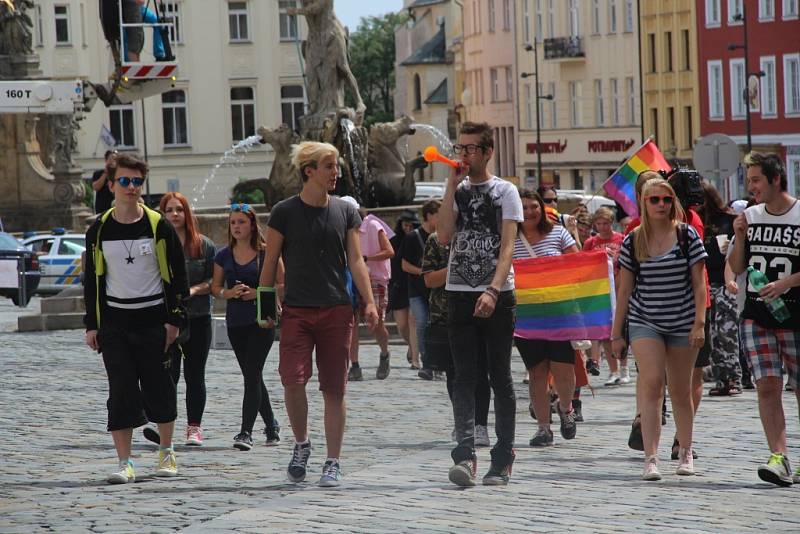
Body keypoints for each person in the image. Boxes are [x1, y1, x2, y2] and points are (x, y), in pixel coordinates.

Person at [260, 141, 378, 488]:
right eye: (329, 166)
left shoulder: (345, 211)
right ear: (309, 171)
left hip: (337, 310)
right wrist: (265, 306)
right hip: (296, 310)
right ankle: (301, 444)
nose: (336, 172)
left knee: (334, 388)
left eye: (336, 165)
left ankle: (333, 460)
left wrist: (369, 302)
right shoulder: (283, 212)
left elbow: (356, 261)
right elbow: (269, 262)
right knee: (293, 380)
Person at [83, 152, 188, 484]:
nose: (131, 187)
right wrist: (92, 323)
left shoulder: (158, 225)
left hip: (153, 320)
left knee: (160, 387)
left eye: (137, 181)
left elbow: (178, 275)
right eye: (125, 181)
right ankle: (125, 462)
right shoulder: (98, 229)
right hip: (115, 322)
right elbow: (92, 279)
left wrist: (174, 320)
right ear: (112, 185)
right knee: (121, 390)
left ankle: (166, 452)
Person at [438, 121, 522, 487]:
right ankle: (466, 453)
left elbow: (507, 247)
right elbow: (443, 236)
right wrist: (449, 187)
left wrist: (492, 289)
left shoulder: (506, 191)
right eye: (461, 148)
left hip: (497, 294)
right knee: (463, 378)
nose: (465, 154)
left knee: (499, 377)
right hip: (458, 291)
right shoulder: (456, 191)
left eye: (472, 148)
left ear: (487, 152)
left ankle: (503, 456)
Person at [612, 177, 707, 481]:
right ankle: (650, 458)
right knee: (652, 384)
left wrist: (699, 323)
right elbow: (625, 290)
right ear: (644, 202)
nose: (661, 205)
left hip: (682, 321)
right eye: (654, 200)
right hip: (645, 320)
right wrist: (616, 334)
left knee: (680, 390)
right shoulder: (633, 239)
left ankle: (686, 451)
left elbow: (698, 285)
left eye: (666, 200)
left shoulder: (687, 236)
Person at [729, 153, 800, 487]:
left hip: (796, 316)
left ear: (775, 179)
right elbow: (738, 266)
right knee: (768, 386)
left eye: (756, 179)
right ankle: (779, 457)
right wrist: (740, 235)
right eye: (749, 179)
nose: (751, 186)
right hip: (756, 316)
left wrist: (787, 283)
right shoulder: (750, 216)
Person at [513, 189, 581, 447]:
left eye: (534, 207)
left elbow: (578, 263)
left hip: (559, 312)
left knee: (563, 369)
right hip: (526, 314)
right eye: (524, 208)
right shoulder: (509, 236)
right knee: (537, 371)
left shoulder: (558, 233)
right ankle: (543, 428)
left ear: (542, 209)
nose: (530, 212)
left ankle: (565, 409)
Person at [211, 203, 281, 451]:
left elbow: (283, 284)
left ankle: (245, 432)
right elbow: (215, 288)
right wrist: (229, 292)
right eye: (233, 223)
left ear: (252, 224)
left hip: (262, 321)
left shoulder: (266, 253)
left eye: (241, 222)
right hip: (236, 322)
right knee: (253, 376)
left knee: (252, 374)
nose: (237, 227)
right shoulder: (223, 255)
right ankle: (271, 426)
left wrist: (258, 294)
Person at [421, 231, 492, 447]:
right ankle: (463, 421)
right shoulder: (436, 239)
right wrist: (457, 265)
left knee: (481, 371)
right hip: (445, 316)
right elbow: (429, 279)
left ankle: (480, 424)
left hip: (480, 314)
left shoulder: (484, 237)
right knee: (455, 373)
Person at [160, 192, 216, 446]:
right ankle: (165, 425)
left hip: (198, 317)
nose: (174, 214)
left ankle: (194, 427)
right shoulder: (156, 245)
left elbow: (215, 280)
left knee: (195, 375)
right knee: (168, 374)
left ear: (187, 213)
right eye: (169, 210)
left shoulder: (203, 245)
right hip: (168, 319)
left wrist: (192, 290)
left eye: (179, 210)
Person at [696, 182, 743, 396]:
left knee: (727, 331)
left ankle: (733, 377)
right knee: (712, 334)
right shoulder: (696, 222)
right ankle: (721, 378)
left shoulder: (729, 220)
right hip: (705, 283)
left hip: (725, 282)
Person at [346, 199, 395, 381]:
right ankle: (355, 365)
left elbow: (390, 251)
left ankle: (384, 354)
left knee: (376, 325)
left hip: (375, 279)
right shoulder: (345, 230)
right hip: (353, 279)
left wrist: (366, 258)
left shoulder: (373, 225)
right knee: (351, 325)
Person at [583, 206, 628, 384]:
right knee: (605, 332)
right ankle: (613, 370)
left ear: (612, 223)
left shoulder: (621, 239)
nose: (602, 227)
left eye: (606, 223)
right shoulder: (590, 243)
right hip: (600, 290)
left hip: (619, 288)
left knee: (621, 329)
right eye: (599, 223)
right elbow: (584, 265)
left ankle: (624, 369)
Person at [402, 200, 440, 380]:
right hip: (417, 290)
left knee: (437, 325)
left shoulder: (443, 236)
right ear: (429, 215)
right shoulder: (412, 237)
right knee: (423, 322)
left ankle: (438, 361)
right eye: (438, 214)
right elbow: (404, 265)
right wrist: (424, 272)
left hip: (436, 290)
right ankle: (427, 363)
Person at [387, 212, 419, 369]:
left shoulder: (417, 238)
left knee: (413, 322)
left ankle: (415, 356)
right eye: (405, 224)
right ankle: (412, 347)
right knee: (401, 325)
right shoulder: (394, 241)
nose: (407, 228)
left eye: (411, 225)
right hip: (399, 285)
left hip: (415, 284)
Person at [91, 150, 116, 214]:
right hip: (102, 209)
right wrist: (105, 173)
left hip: (115, 207)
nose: (113, 161)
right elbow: (95, 187)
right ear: (106, 160)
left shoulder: (119, 174)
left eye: (115, 159)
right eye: (110, 159)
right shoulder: (98, 174)